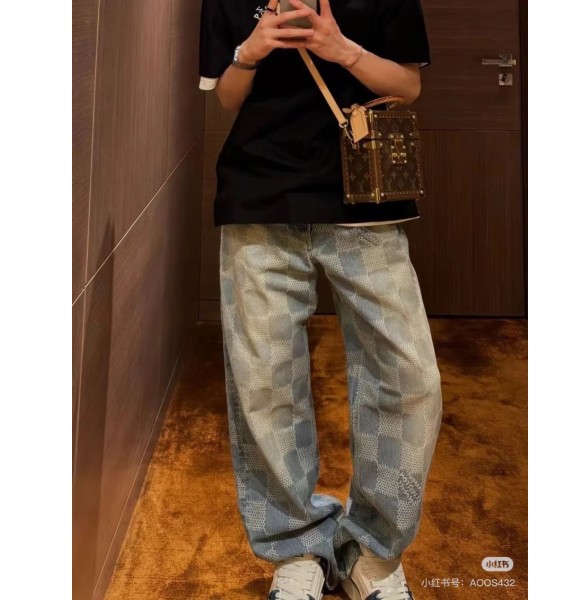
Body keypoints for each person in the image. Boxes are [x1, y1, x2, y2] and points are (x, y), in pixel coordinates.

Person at [198, 1, 443, 598]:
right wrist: (250, 52)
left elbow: (407, 86)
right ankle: (296, 547)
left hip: (364, 201)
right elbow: (228, 97)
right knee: (264, 379)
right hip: (259, 197)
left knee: (408, 377)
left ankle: (372, 552)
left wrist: (342, 50)